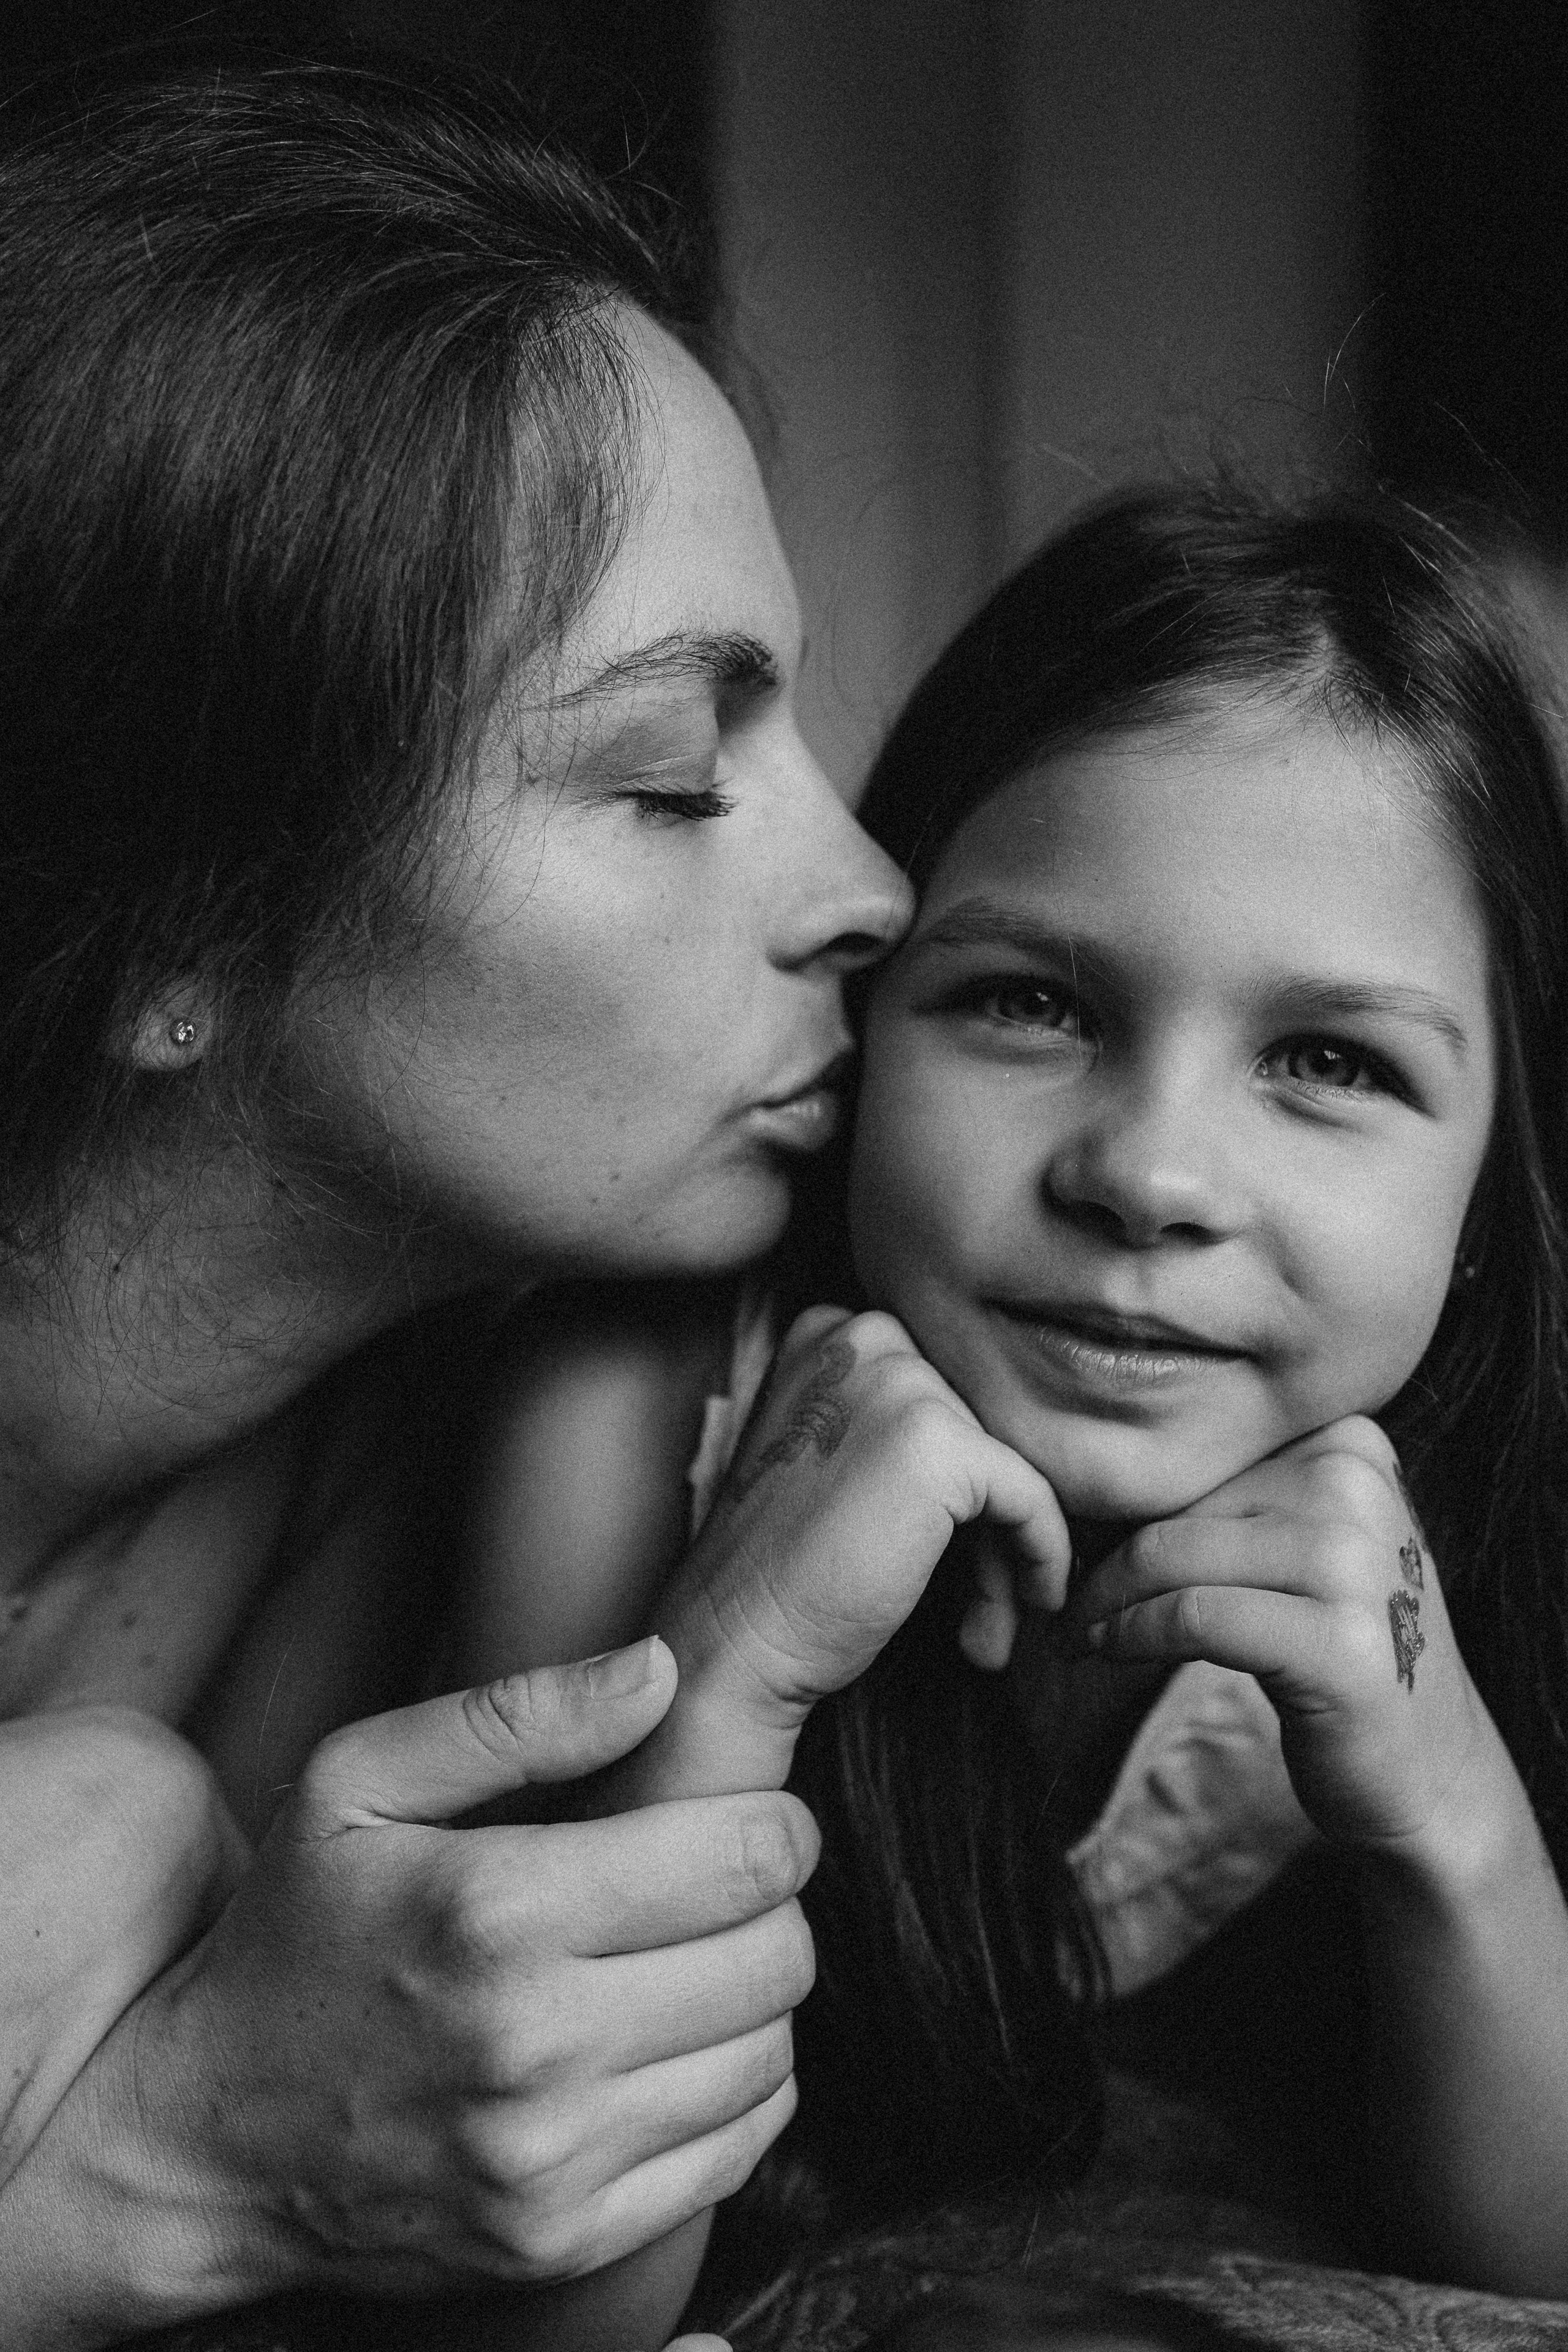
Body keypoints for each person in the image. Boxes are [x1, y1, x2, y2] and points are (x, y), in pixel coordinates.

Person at [0, 46, 953, 2351]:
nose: (873, 889)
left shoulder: (494, 1433)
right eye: (664, 772)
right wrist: (154, 2182)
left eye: (796, 732)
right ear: (180, 936)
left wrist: (715, 1694)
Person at [466, 486, 1568, 2308]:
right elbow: (528, 2313)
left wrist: (1444, 1808)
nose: (1147, 1175)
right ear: (866, 1019)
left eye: (1328, 1060)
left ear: (1485, 1193)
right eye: (1031, 1004)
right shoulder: (628, 1409)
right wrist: (729, 1680)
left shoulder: (1499, 1491)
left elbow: (1533, 2273)